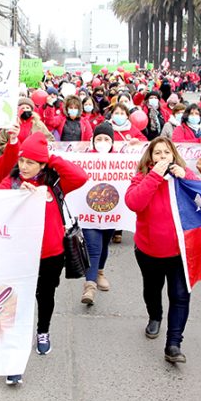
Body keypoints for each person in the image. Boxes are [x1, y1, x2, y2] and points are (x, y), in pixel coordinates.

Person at [0, 132, 88, 385]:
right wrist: (18, 194)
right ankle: (15, 357)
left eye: (31, 162)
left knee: (45, 296)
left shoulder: (55, 183)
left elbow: (80, 177)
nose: (24, 167)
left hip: (51, 254)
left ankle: (43, 331)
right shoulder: (11, 182)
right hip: (19, 255)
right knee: (20, 302)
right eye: (22, 161)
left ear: (42, 164)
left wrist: (51, 158)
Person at [125, 136, 198, 364]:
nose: (162, 157)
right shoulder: (141, 178)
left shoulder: (183, 178)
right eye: (157, 153)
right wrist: (155, 175)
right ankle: (154, 315)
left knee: (179, 296)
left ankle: (173, 344)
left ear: (174, 155)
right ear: (150, 157)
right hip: (149, 251)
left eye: (167, 152)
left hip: (180, 253)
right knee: (152, 289)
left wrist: (187, 177)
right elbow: (134, 203)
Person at [80, 123, 116, 306]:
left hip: (111, 211)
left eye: (106, 139)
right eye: (99, 139)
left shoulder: (121, 160)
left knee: (103, 244)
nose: (102, 142)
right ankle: (90, 286)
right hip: (89, 213)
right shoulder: (84, 159)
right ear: (93, 141)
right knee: (93, 248)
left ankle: (100, 272)